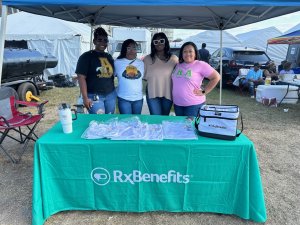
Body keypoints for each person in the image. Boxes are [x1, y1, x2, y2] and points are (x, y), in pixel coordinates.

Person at [172, 41, 220, 117]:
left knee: (191, 128)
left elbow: (216, 77)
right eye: (185, 51)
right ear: (181, 54)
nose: (187, 54)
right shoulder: (178, 65)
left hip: (193, 105)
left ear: (195, 53)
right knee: (181, 127)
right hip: (178, 105)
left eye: (190, 51)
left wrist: (204, 91)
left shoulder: (200, 64)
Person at [75, 27, 116, 114]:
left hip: (110, 95)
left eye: (105, 40)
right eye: (99, 40)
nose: (102, 43)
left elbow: (112, 75)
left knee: (109, 120)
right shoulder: (86, 57)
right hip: (94, 96)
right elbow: (81, 78)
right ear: (94, 41)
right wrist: (85, 98)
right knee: (99, 121)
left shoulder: (109, 57)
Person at [143, 32, 178, 115]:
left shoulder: (174, 59)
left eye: (161, 41)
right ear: (153, 44)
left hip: (168, 93)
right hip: (152, 93)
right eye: (156, 42)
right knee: (155, 119)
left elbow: (180, 76)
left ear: (165, 42)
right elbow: (143, 77)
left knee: (164, 118)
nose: (159, 43)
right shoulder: (147, 59)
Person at [114, 39, 144, 114]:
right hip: (123, 98)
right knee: (126, 121)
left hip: (138, 99)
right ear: (124, 49)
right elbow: (110, 77)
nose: (132, 50)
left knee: (136, 121)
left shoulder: (141, 63)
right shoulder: (117, 62)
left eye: (134, 48)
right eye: (129, 48)